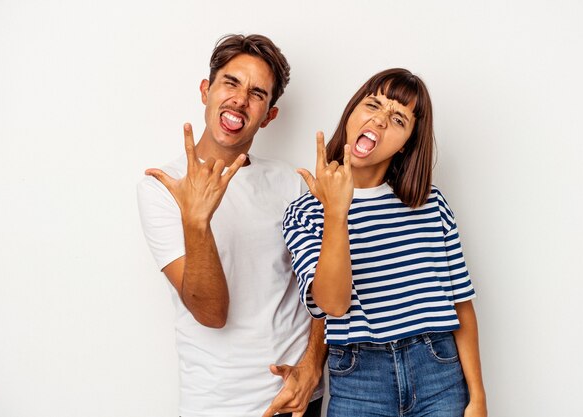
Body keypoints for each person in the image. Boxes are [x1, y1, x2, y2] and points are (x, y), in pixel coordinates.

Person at [137, 34, 325, 417]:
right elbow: (211, 313)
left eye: (257, 93)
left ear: (269, 115)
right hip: (218, 403)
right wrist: (197, 221)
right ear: (206, 90)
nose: (240, 99)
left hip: (297, 400)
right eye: (231, 82)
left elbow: (324, 292)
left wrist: (312, 365)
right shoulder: (162, 188)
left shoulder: (292, 182)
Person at [282, 68, 487, 417]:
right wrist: (335, 214)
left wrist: (478, 397)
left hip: (438, 371)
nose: (379, 121)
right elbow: (333, 304)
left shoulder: (430, 204)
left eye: (398, 119)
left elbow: (460, 305)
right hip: (359, 380)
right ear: (351, 113)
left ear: (407, 141)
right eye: (373, 105)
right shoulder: (304, 213)